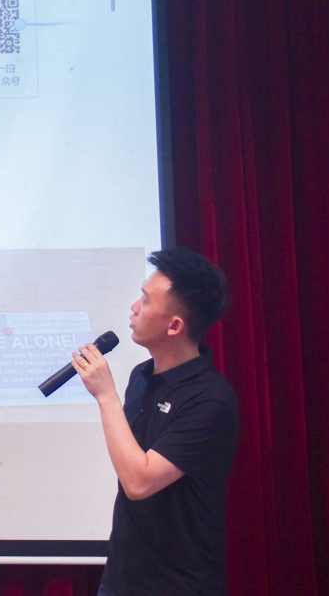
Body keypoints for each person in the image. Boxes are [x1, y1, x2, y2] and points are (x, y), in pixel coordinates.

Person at [71, 247, 240, 596]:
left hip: (179, 586)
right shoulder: (141, 376)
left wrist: (106, 396)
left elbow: (139, 482)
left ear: (174, 325)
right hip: (121, 581)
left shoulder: (210, 400)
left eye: (146, 300)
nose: (134, 307)